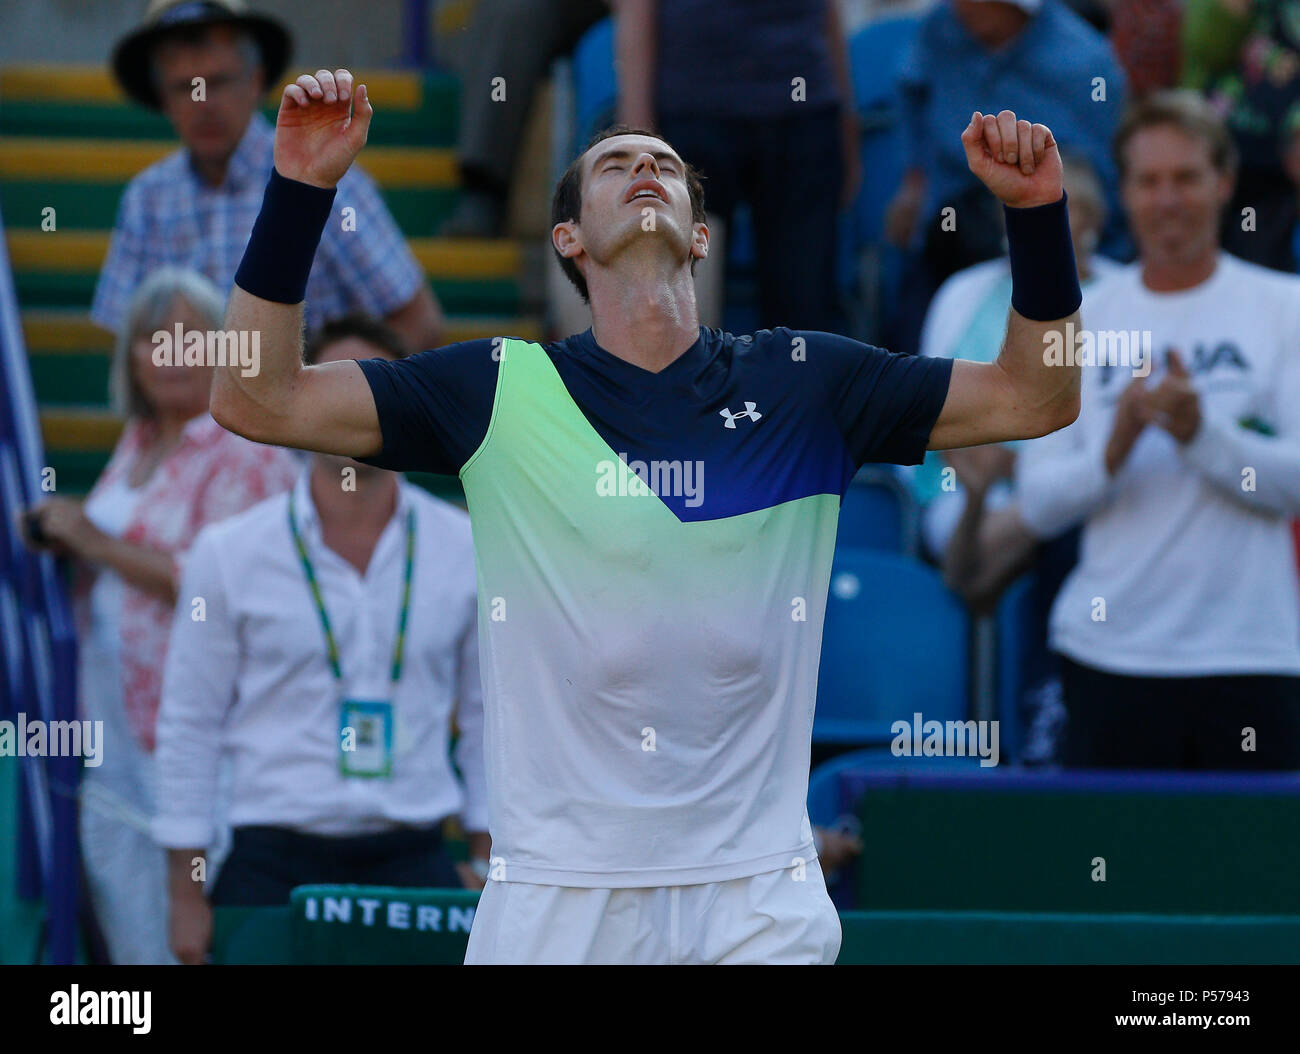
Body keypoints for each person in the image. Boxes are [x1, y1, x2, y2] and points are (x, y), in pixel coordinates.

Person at [210, 66, 1082, 964]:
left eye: (663, 163)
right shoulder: (500, 387)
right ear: (570, 239)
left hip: (755, 896)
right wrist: (300, 190)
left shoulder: (809, 380)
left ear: (700, 237)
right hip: (555, 897)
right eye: (612, 165)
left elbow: (1039, 395)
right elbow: (256, 397)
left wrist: (1037, 217)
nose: (642, 169)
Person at [152, 314, 487, 965]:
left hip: (413, 855)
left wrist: (486, 855)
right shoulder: (229, 553)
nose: (346, 409)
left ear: (404, 409)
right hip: (271, 856)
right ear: (297, 403)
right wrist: (184, 893)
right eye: (328, 387)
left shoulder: (466, 546)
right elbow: (189, 724)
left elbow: (490, 716)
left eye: (370, 389)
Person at [1017, 90, 1300, 770]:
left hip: (1251, 653)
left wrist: (1202, 433)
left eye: (1186, 178)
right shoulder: (1074, 322)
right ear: (1126, 194)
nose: (1167, 199)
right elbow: (1039, 502)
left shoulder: (1284, 307)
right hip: (1110, 653)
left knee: (1251, 878)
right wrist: (1114, 447)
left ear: (1225, 183)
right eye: (1149, 181)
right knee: (1114, 874)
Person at [23, 266, 298, 964]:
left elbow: (229, 590)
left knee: (197, 924)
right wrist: (68, 530)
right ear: (131, 357)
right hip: (111, 718)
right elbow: (124, 547)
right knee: (128, 912)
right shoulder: (139, 441)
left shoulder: (246, 444)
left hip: (206, 728)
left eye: (189, 336)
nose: (170, 352)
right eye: (152, 337)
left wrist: (94, 541)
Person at [94, 0, 442, 349]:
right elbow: (125, 343)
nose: (204, 103)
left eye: (219, 82)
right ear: (163, 99)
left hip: (308, 400)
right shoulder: (146, 198)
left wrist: (334, 390)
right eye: (185, 87)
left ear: (256, 81)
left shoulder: (326, 179)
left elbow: (419, 323)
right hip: (193, 403)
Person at [884, 0, 1127, 354]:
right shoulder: (940, 28)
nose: (963, 8)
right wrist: (913, 180)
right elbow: (911, 91)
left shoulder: (1085, 63)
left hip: (1040, 219)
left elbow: (1099, 181)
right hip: (947, 219)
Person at [616, 0, 859, 333]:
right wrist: (638, 140)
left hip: (804, 114)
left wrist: (845, 120)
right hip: (694, 115)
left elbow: (828, 10)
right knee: (680, 305)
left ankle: (795, 383)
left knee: (805, 311)